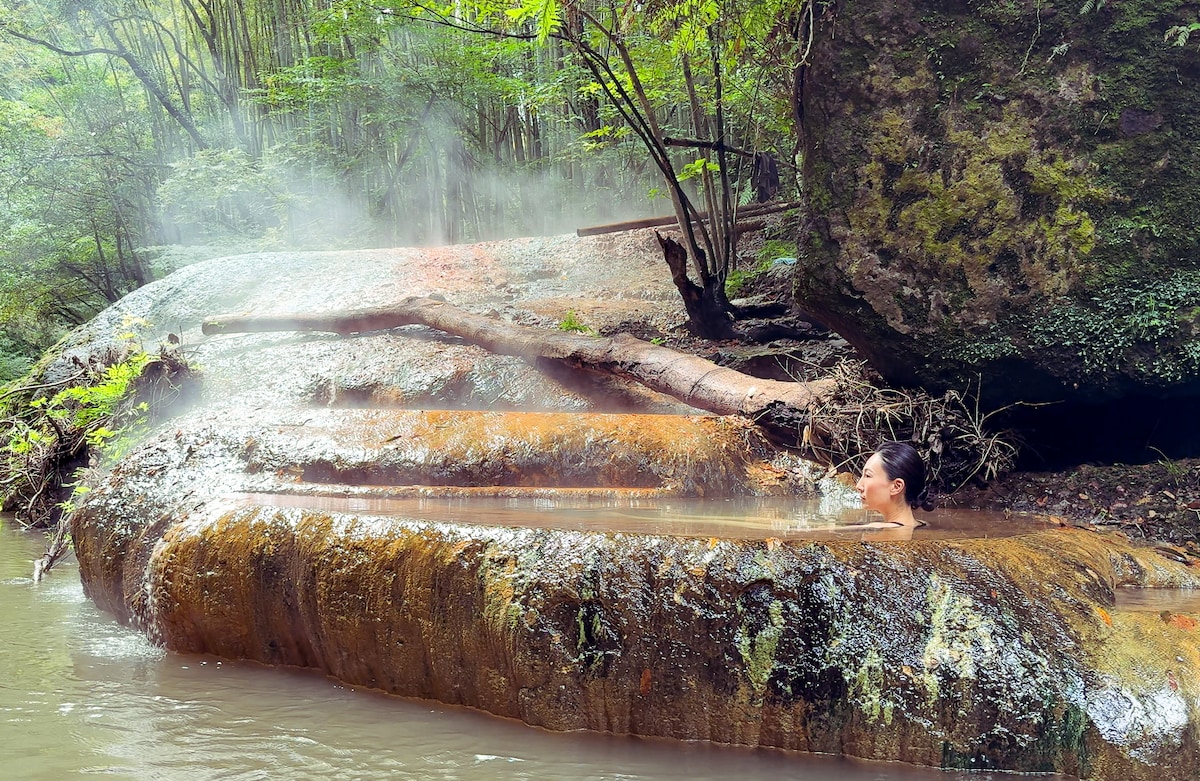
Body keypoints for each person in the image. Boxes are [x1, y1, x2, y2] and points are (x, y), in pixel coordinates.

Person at [855, 440, 935, 529]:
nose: (858, 486)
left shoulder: (875, 528)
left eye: (868, 475)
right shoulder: (923, 524)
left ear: (896, 486)